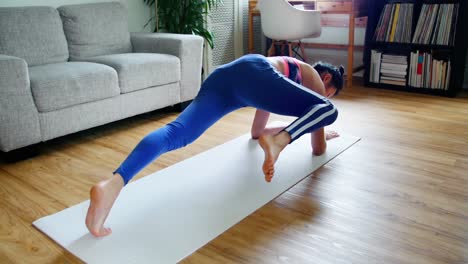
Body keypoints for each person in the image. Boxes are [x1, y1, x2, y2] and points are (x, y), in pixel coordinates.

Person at [85, 54, 344, 237]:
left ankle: (113, 185)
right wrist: (305, 133)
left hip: (228, 78)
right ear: (326, 78)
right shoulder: (312, 77)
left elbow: (256, 133)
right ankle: (281, 143)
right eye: (330, 90)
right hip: (253, 74)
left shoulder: (280, 76)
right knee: (328, 110)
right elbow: (318, 146)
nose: (323, 92)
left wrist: (275, 132)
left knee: (176, 132)